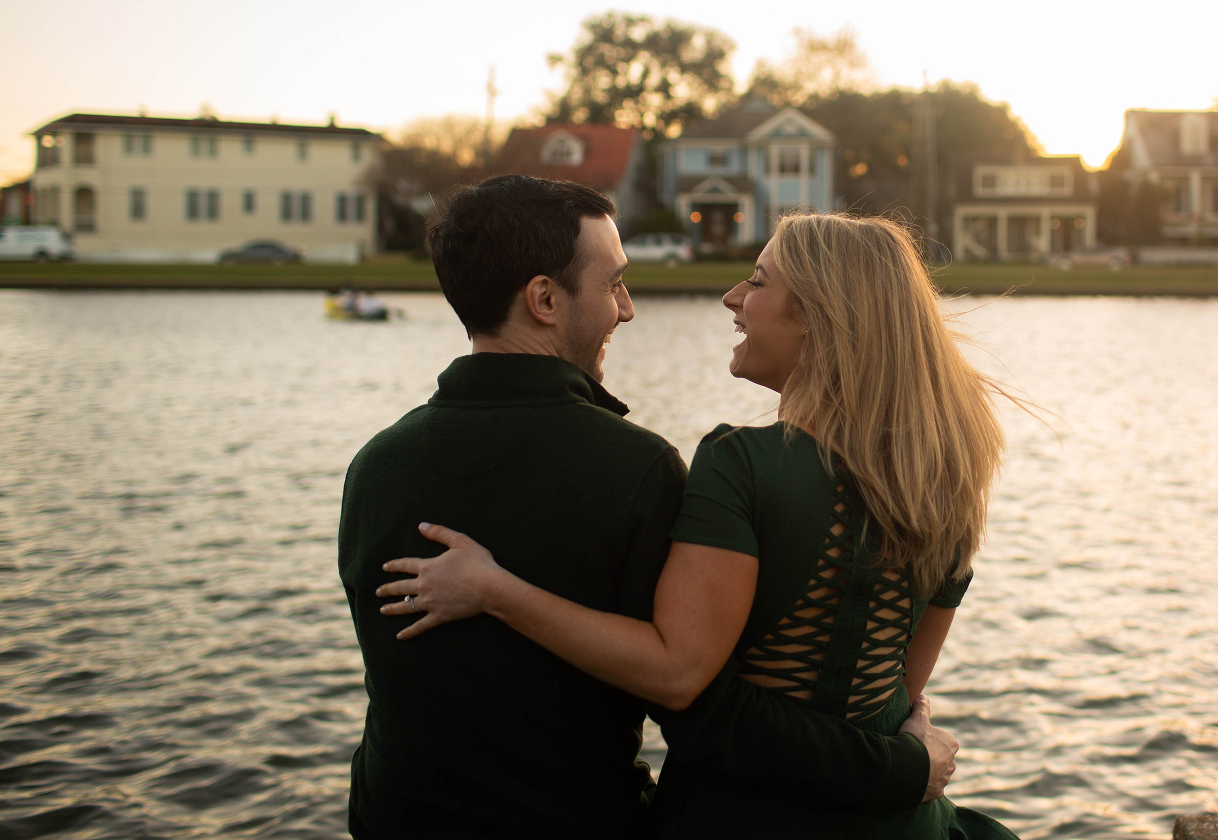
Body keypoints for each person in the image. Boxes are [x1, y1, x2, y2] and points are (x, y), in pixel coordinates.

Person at [337, 178, 954, 840]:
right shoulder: (636, 469)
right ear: (544, 299)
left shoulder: (374, 466)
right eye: (613, 285)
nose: (626, 310)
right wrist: (902, 768)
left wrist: (497, 592)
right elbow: (694, 696)